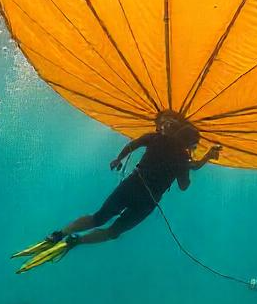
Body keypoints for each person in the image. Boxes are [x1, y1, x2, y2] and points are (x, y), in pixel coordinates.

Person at [13, 116, 222, 272]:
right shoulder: (182, 160)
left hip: (131, 186)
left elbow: (134, 143)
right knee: (113, 232)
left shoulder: (156, 138)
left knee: (98, 217)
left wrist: (118, 159)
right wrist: (201, 160)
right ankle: (75, 241)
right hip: (147, 202)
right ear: (188, 144)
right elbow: (184, 185)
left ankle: (59, 234)